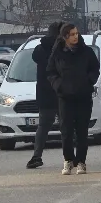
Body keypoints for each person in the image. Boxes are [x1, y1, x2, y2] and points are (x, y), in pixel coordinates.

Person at [46, 23, 100, 175]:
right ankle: (68, 160)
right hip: (65, 98)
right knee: (66, 131)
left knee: (82, 131)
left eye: (76, 33)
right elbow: (50, 72)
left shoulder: (86, 52)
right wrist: (58, 85)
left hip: (83, 97)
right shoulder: (57, 53)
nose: (75, 36)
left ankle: (81, 162)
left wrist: (88, 81)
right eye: (72, 34)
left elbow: (95, 69)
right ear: (65, 37)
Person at [27, 21, 63, 170]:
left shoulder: (39, 49)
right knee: (66, 126)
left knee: (43, 127)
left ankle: (36, 156)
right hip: (62, 92)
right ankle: (71, 157)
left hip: (45, 94)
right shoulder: (62, 49)